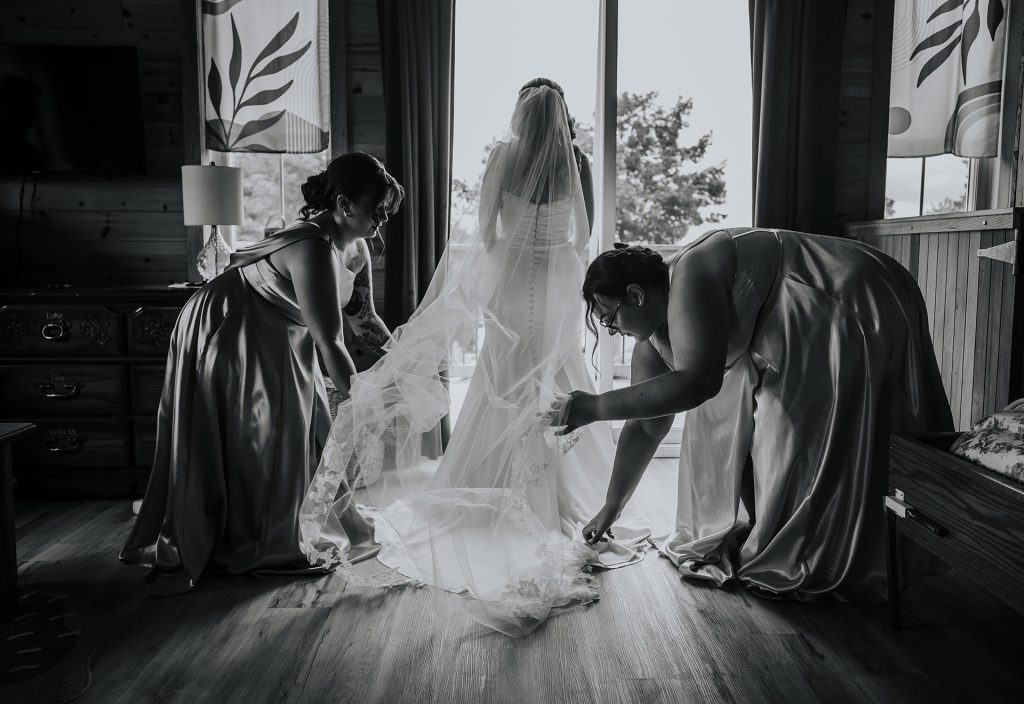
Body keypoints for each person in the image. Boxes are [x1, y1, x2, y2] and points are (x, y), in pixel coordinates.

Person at [299, 79, 650, 636]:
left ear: (521, 115)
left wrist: (510, 258)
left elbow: (487, 230)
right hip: (559, 277)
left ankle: (489, 486)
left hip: (510, 274)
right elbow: (582, 235)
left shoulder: (503, 156)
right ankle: (565, 491)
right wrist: (553, 257)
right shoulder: (577, 160)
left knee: (501, 370)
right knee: (557, 368)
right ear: (561, 116)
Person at [548, 229, 953, 601]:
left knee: (816, 434)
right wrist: (612, 507)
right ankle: (806, 541)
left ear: (636, 295)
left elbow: (699, 382)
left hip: (837, 292)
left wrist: (594, 406)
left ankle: (844, 552)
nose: (609, 328)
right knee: (774, 437)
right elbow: (645, 427)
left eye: (609, 316)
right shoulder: (650, 341)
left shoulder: (690, 273)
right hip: (789, 322)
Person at [120, 152, 403, 595]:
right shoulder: (312, 244)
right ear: (345, 204)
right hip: (228, 323)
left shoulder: (358, 248)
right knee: (264, 429)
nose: (382, 220)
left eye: (386, 211)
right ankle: (248, 535)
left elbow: (363, 319)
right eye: (377, 209)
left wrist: (404, 364)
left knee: (305, 425)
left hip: (280, 330)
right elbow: (330, 342)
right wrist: (360, 402)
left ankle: (286, 521)